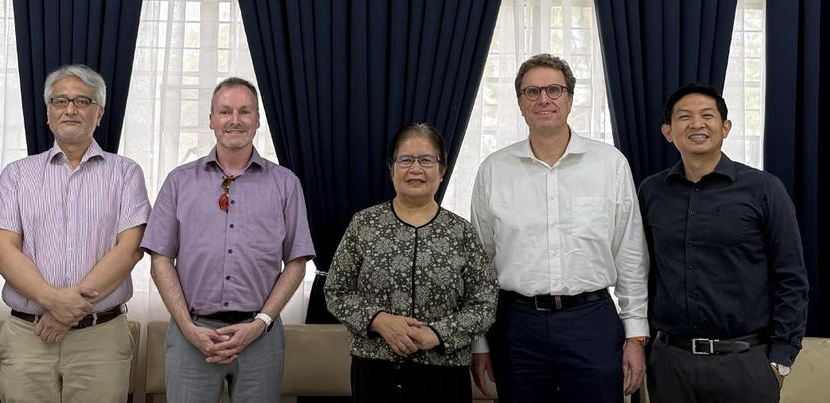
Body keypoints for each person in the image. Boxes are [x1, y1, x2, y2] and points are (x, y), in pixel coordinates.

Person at [470, 53, 650, 402]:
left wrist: (635, 335)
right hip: (516, 325)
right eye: (532, 91)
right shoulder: (494, 170)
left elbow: (630, 255)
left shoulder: (609, 164)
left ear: (569, 98)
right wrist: (480, 342)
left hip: (591, 322)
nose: (544, 99)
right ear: (520, 103)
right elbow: (479, 265)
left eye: (554, 90)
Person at [142, 77, 315, 403]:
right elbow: (160, 258)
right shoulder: (179, 182)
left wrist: (261, 323)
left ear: (257, 120)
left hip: (260, 335)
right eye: (225, 112)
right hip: (192, 335)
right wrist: (188, 328)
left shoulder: (286, 184)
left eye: (244, 111)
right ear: (211, 120)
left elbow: (296, 261)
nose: (235, 120)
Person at [0, 64, 150, 403]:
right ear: (48, 113)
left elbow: (130, 249)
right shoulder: (17, 175)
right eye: (60, 101)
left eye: (82, 101)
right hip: (29, 336)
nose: (70, 109)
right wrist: (52, 301)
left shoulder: (126, 173)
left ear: (99, 113)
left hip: (100, 339)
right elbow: (3, 251)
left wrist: (66, 312)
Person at [638, 83, 808, 402]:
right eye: (684, 117)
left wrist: (781, 358)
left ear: (725, 127)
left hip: (745, 363)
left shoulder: (764, 189)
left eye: (707, 115)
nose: (696, 124)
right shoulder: (651, 192)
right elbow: (642, 273)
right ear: (668, 132)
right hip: (671, 364)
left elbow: (791, 278)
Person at [325, 123, 498, 402]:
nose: (415, 169)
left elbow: (485, 302)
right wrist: (378, 321)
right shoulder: (364, 225)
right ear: (391, 169)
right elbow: (336, 291)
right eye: (405, 160)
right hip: (375, 371)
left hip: (444, 372)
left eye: (426, 160)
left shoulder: (461, 232)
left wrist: (437, 334)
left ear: (442, 170)